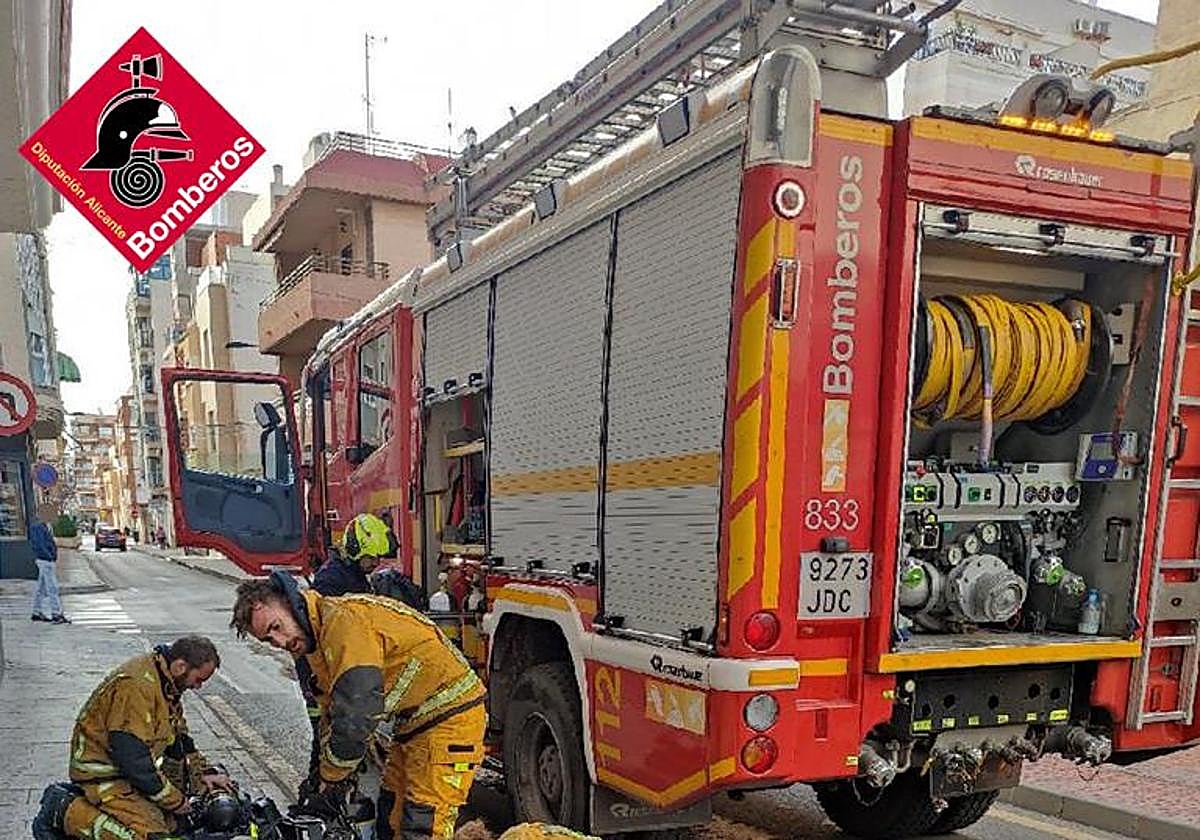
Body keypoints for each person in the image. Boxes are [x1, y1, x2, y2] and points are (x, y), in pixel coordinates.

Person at [231, 572, 485, 840]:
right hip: (417, 725)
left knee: (424, 824)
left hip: (451, 723)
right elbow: (333, 715)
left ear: (290, 603)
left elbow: (356, 714)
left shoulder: (343, 623)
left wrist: (332, 778)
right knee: (391, 814)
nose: (281, 642)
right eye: (269, 641)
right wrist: (320, 778)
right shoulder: (319, 640)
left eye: (276, 627)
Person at [32, 636, 232, 840]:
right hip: (104, 777)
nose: (198, 687)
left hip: (127, 774)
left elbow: (180, 739)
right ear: (181, 666)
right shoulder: (136, 686)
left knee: (176, 825)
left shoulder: (166, 684)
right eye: (199, 680)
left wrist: (202, 774)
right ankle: (65, 810)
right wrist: (176, 801)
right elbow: (133, 760)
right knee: (151, 836)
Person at [29, 516, 69, 624]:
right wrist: (49, 556)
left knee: (41, 588)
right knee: (52, 587)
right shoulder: (38, 527)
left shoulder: (44, 526)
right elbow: (40, 544)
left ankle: (36, 612)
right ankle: (56, 614)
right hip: (45, 560)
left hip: (45, 559)